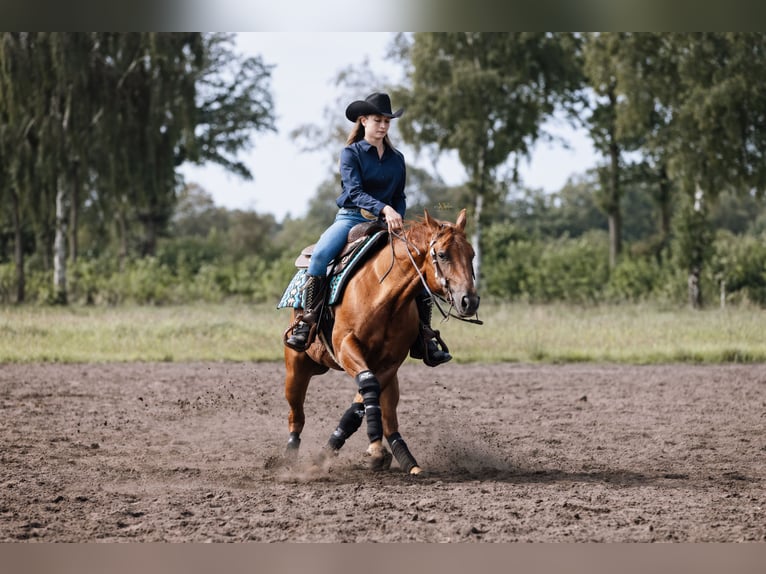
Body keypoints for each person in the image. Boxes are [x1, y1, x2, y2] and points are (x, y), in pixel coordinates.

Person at [285, 92, 451, 367]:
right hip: (350, 218)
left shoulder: (397, 158)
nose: (383, 125)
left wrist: (394, 211)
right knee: (320, 257)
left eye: (387, 121)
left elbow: (399, 195)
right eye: (378, 120)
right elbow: (355, 191)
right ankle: (308, 321)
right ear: (363, 121)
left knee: (416, 264)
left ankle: (425, 336)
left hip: (388, 224)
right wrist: (383, 209)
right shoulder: (350, 153)